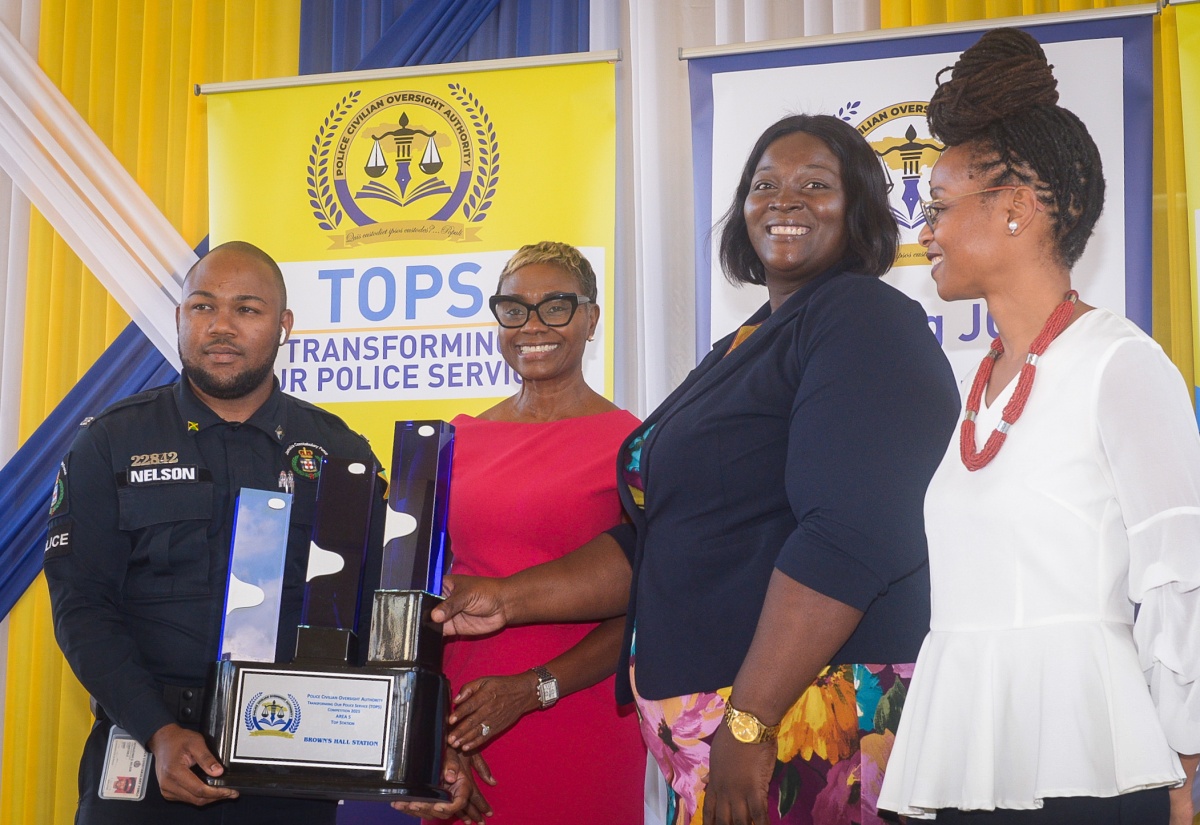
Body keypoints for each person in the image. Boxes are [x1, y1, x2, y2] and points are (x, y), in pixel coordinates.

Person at [430, 116, 961, 825]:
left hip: (804, 720)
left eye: (815, 185)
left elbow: (852, 533)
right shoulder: (743, 345)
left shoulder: (863, 318)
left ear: (862, 204)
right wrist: (506, 597)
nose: (784, 200)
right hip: (718, 734)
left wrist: (750, 718)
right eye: (764, 184)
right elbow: (658, 537)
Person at [876, 28, 1200, 825]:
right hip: (967, 762)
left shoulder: (1120, 365)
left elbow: (1179, 580)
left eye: (942, 206)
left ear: (1017, 209)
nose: (925, 230)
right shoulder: (974, 383)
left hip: (1093, 766)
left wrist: (1185, 771)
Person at [43, 241, 401, 824]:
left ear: (284, 325)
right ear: (179, 318)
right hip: (146, 744)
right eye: (203, 307)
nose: (221, 327)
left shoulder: (338, 451)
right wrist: (157, 729)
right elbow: (80, 604)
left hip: (291, 750)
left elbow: (377, 606)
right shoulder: (110, 441)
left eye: (247, 310)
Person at [391, 241, 645, 825]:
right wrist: (432, 728)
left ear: (591, 318)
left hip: (577, 714)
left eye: (556, 307)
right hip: (457, 725)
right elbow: (411, 603)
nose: (532, 325)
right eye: (514, 308)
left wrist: (535, 689)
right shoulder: (448, 441)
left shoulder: (633, 443)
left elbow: (649, 605)